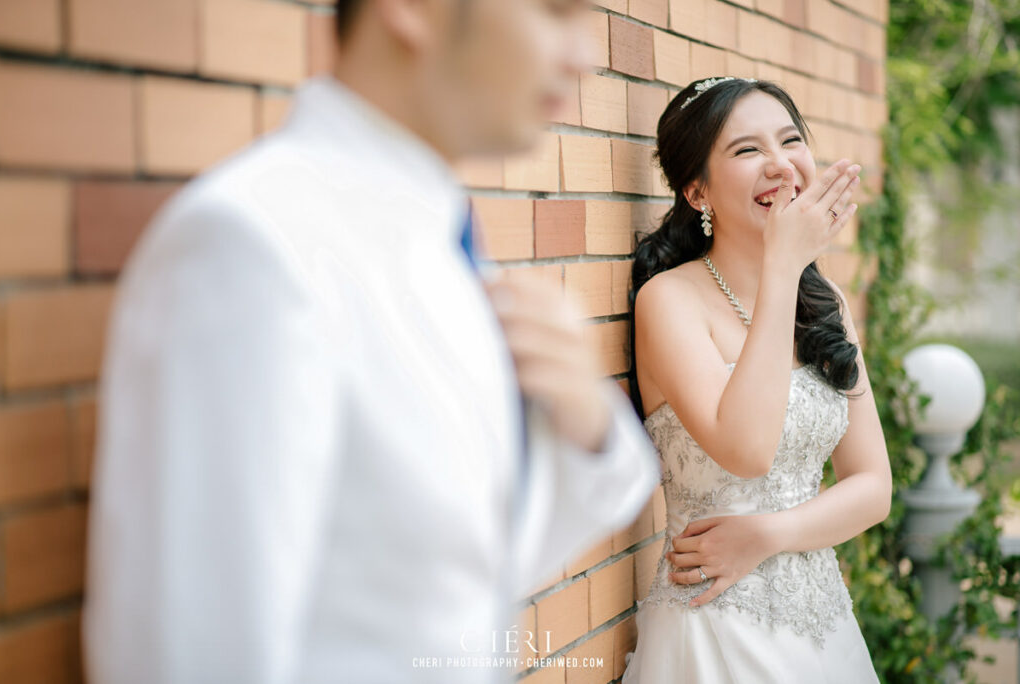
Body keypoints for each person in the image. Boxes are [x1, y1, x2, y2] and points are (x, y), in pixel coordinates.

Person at [82, 1, 661, 682]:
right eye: (554, 9)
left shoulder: (443, 243)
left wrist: (586, 421)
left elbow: (457, 570)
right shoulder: (251, 249)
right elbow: (192, 656)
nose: (583, 55)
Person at [619, 76, 893, 683]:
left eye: (790, 140)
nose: (780, 164)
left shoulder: (826, 304)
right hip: (713, 628)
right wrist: (784, 265)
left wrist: (767, 535)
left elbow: (873, 486)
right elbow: (746, 450)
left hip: (823, 630)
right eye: (746, 151)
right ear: (697, 191)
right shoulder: (668, 302)